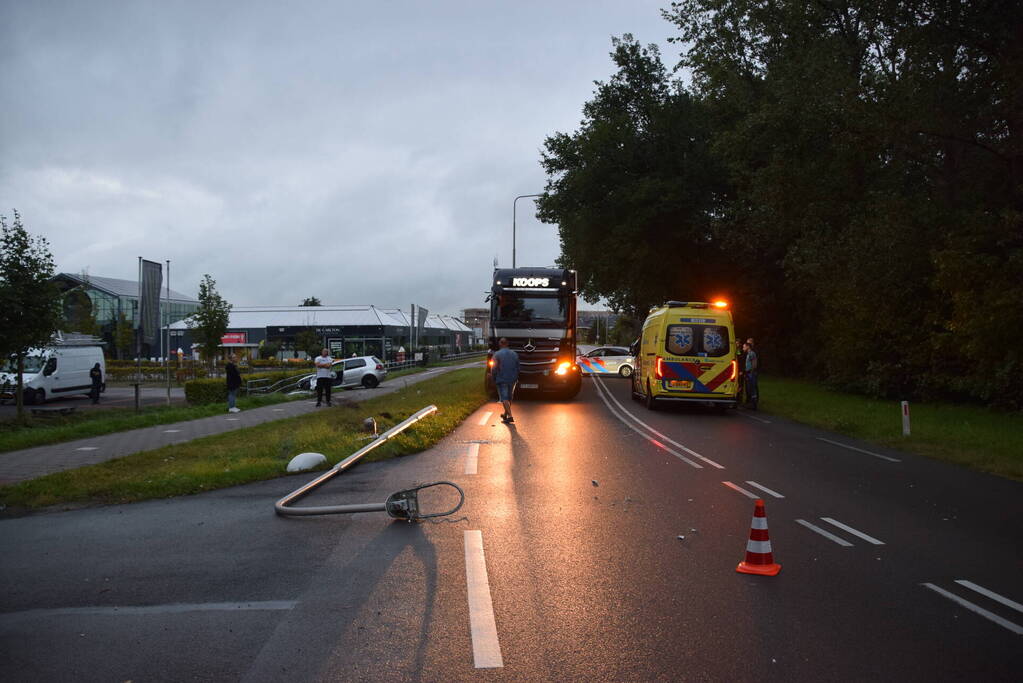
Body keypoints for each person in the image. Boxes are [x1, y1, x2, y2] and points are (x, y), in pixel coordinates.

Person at [491, 337, 520, 423]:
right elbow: (518, 367)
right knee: (509, 397)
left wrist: (493, 377)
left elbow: (494, 368)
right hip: (512, 379)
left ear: (500, 344)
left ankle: (510, 416)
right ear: (507, 344)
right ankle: (505, 414)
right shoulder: (515, 354)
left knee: (504, 398)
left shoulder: (497, 354)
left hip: (502, 379)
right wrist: (516, 377)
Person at [743, 341, 759, 409]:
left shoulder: (752, 353)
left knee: (752, 388)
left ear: (748, 347)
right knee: (749, 389)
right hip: (748, 373)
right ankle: (750, 404)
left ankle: (754, 405)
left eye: (744, 347)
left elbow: (754, 364)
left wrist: (751, 372)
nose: (743, 348)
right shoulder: (748, 354)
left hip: (751, 373)